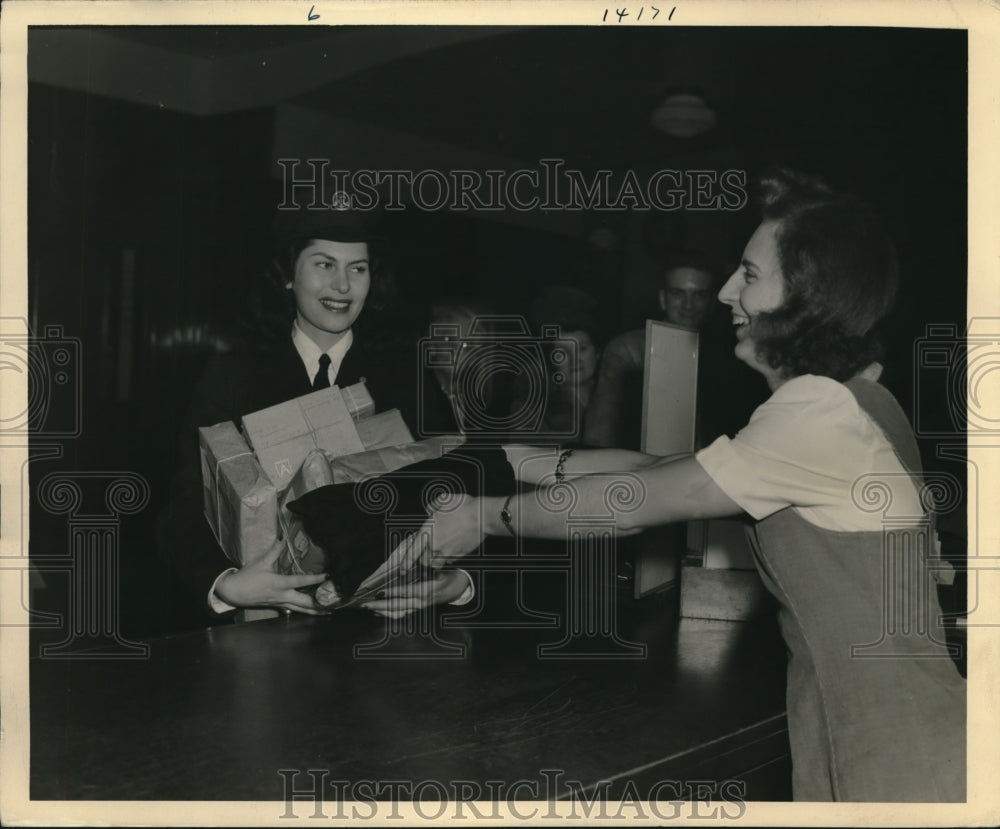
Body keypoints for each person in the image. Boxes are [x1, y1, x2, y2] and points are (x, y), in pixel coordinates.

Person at [381, 169, 966, 802]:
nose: (722, 293)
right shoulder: (862, 399)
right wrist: (527, 461)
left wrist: (485, 518)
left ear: (806, 296)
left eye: (748, 275)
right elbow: (667, 471)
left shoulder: (816, 411)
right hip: (894, 737)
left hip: (895, 764)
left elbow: (635, 505)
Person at [155, 204, 467, 621]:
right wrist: (226, 583)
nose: (342, 285)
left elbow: (466, 478)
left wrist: (460, 580)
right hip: (269, 628)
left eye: (358, 268)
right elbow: (186, 502)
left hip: (381, 624)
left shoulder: (405, 376)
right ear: (288, 274)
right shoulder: (232, 375)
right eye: (325, 264)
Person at [584, 253, 769, 449]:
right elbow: (598, 435)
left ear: (711, 303)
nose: (688, 306)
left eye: (699, 295)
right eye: (677, 294)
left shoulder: (728, 355)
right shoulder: (628, 349)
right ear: (663, 298)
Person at [508, 285, 605, 446]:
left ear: (598, 352)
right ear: (550, 360)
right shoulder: (531, 408)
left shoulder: (617, 397)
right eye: (563, 353)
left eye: (582, 349)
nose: (575, 359)